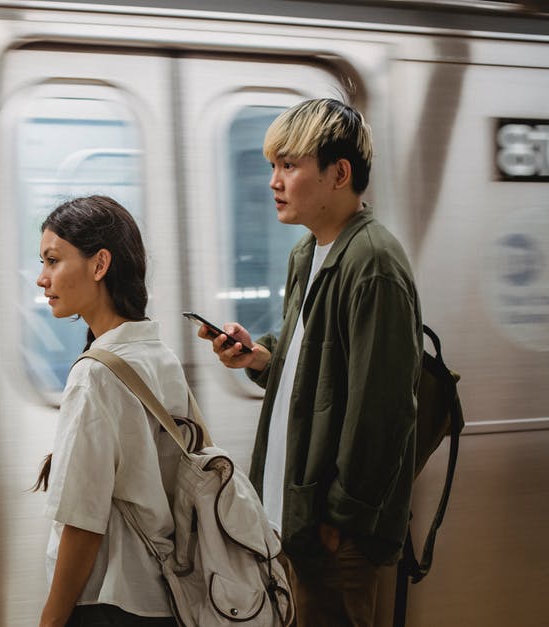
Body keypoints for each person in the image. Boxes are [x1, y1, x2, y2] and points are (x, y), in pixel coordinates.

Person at [198, 98, 421, 626]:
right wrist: (258, 355)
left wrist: (341, 521)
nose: (274, 181)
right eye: (272, 166)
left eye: (289, 165)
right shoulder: (309, 253)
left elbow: (383, 411)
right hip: (293, 514)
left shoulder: (373, 264)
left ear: (339, 173)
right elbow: (311, 360)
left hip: (331, 530)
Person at [32, 196, 185, 627]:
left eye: (53, 260)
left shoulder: (96, 375)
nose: (42, 279)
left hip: (108, 603)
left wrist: (51, 620)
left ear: (100, 265)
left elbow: (83, 525)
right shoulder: (158, 355)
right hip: (159, 597)